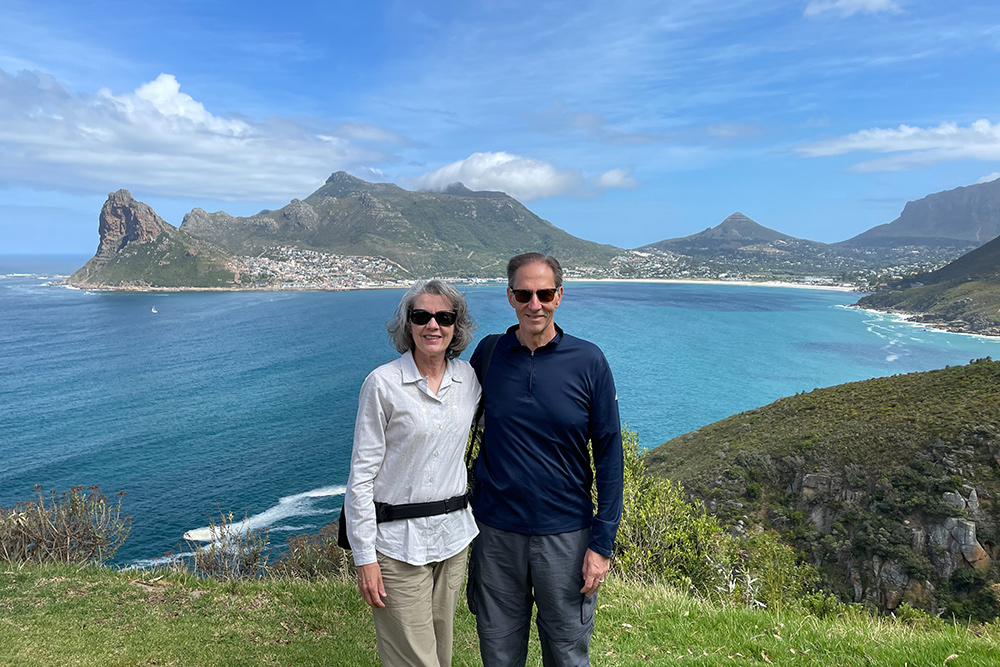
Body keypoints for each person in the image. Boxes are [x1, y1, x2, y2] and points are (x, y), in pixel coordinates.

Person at [467, 253, 624, 667]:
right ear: (510, 297)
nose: (533, 303)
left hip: (567, 536)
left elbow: (609, 454)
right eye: (523, 293)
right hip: (496, 534)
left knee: (568, 654)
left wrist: (602, 544)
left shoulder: (588, 361)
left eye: (544, 293)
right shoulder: (488, 354)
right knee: (498, 651)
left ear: (559, 296)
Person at [344, 279, 480, 667]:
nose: (432, 325)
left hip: (453, 540)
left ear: (457, 326)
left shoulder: (468, 380)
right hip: (397, 545)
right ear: (407, 325)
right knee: (414, 660)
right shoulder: (383, 385)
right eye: (421, 316)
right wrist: (364, 557)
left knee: (441, 653)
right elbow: (361, 477)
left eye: (444, 317)